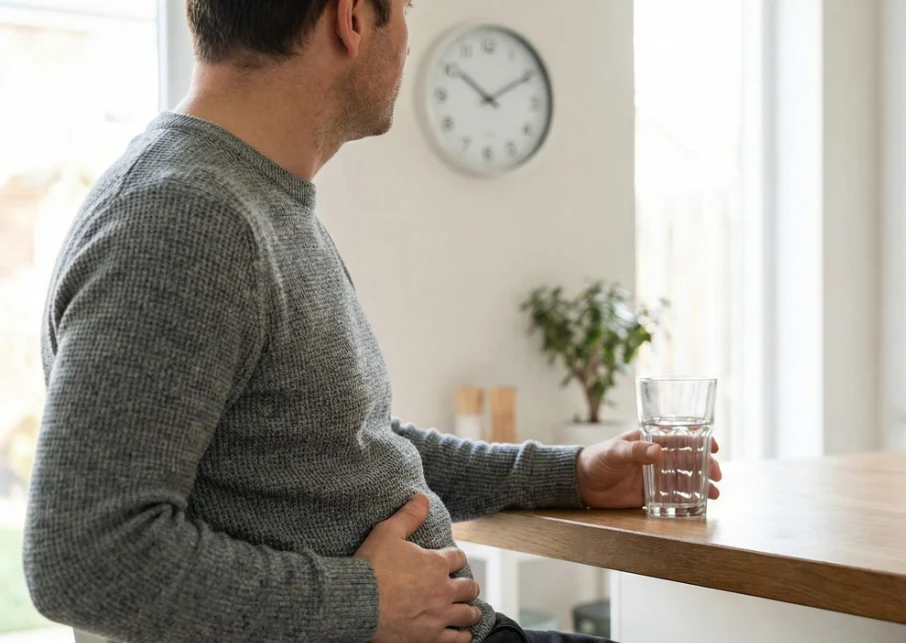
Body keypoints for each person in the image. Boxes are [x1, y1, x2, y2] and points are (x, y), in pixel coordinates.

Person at [23, 1, 722, 642]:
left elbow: (355, 445)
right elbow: (83, 557)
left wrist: (571, 474)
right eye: (408, 9)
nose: (409, 37)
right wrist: (361, 602)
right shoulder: (184, 216)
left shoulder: (253, 199)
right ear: (352, 19)